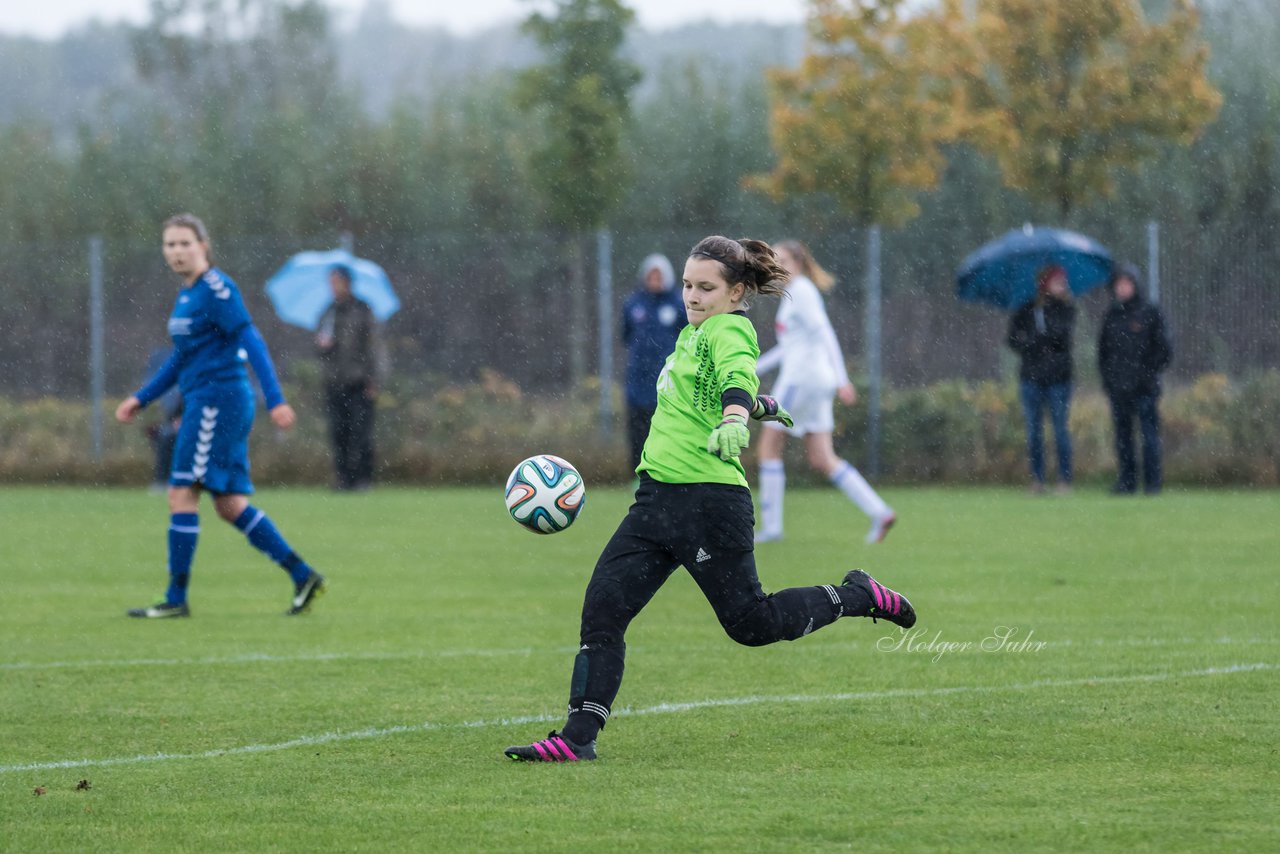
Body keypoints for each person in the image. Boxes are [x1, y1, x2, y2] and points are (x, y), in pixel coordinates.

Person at [503, 236, 917, 763]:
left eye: (706, 287)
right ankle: (576, 738)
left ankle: (858, 596)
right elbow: (708, 389)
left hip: (708, 505)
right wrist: (760, 405)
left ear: (736, 292)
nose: (692, 296)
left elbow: (737, 373)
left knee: (752, 625)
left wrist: (738, 414)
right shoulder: (692, 333)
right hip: (654, 502)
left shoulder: (730, 328)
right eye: (687, 285)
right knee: (603, 611)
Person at [115, 213, 326, 618]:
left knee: (181, 493)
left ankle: (176, 600)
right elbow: (181, 357)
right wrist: (140, 398)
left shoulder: (217, 289)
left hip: (216, 402)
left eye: (185, 244)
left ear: (204, 246)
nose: (176, 252)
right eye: (170, 245)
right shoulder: (188, 293)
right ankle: (302, 574)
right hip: (209, 400)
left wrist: (276, 398)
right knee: (228, 503)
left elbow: (252, 340)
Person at [755, 240, 894, 545]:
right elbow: (788, 347)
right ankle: (879, 512)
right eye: (772, 260)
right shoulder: (794, 294)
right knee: (822, 457)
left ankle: (772, 528)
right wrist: (753, 368)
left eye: (782, 260)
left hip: (800, 381)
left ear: (799, 264)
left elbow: (825, 333)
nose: (776, 266)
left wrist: (843, 379)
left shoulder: (802, 292)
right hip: (816, 381)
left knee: (768, 447)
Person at [1098, 262, 1172, 495]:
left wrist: (1146, 375)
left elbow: (1164, 350)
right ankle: (1127, 482)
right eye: (1118, 284)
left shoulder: (1150, 313)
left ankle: (1152, 484)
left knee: (1149, 437)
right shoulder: (1111, 315)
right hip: (1119, 389)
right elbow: (1103, 353)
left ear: (1135, 285)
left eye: (1126, 283)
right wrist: (1109, 380)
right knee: (1123, 438)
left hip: (1145, 388)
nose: (1122, 288)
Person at [316, 264, 386, 491]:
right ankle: (343, 479)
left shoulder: (363, 310)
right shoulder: (328, 312)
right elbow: (319, 346)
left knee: (362, 433)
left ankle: (363, 480)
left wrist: (375, 379)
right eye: (330, 282)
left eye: (336, 281)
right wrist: (323, 345)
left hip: (359, 383)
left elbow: (375, 347)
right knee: (339, 433)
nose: (333, 287)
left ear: (347, 282)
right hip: (335, 383)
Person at [1007, 265, 1075, 494]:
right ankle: (1037, 480)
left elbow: (1061, 338)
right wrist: (1032, 341)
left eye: (1063, 283)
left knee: (1060, 430)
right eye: (1057, 282)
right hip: (1031, 379)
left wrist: (1043, 336)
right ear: (1045, 284)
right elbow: (1014, 339)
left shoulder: (1066, 309)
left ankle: (1065, 480)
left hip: (1059, 379)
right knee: (1034, 432)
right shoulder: (1026, 310)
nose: (1061, 286)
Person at [620, 253, 687, 471]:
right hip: (638, 378)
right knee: (637, 429)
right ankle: (637, 474)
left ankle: (667, 471)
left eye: (659, 276)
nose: (655, 280)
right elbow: (626, 335)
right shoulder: (633, 304)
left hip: (667, 377)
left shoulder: (678, 303)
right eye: (651, 276)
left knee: (666, 427)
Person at [143, 347, 183, 492]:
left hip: (199, 423)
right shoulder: (180, 386)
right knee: (164, 438)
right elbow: (175, 413)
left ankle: (184, 481)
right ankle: (162, 480)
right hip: (178, 425)